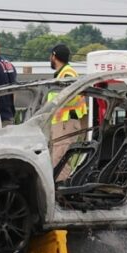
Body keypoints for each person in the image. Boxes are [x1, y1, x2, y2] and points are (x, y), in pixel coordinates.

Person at [47, 44, 87, 174]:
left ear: (54, 56)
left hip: (66, 123)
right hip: (64, 123)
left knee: (60, 161)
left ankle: (61, 191)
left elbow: (69, 98)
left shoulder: (67, 74)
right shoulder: (63, 73)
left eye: (50, 56)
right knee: (58, 159)